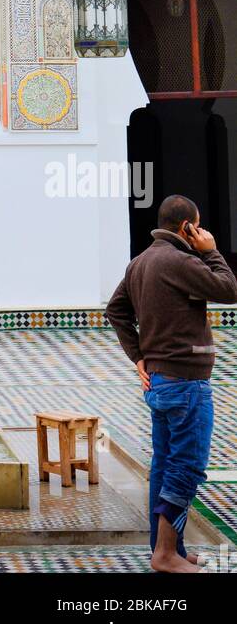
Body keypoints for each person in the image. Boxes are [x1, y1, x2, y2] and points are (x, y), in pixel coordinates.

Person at [105, 194, 237, 573]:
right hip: (186, 382)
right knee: (187, 467)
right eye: (198, 227)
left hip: (161, 383)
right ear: (187, 228)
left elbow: (115, 310)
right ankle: (166, 555)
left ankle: (168, 550)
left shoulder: (140, 262)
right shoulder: (179, 261)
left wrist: (138, 356)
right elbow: (228, 289)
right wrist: (211, 252)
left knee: (164, 465)